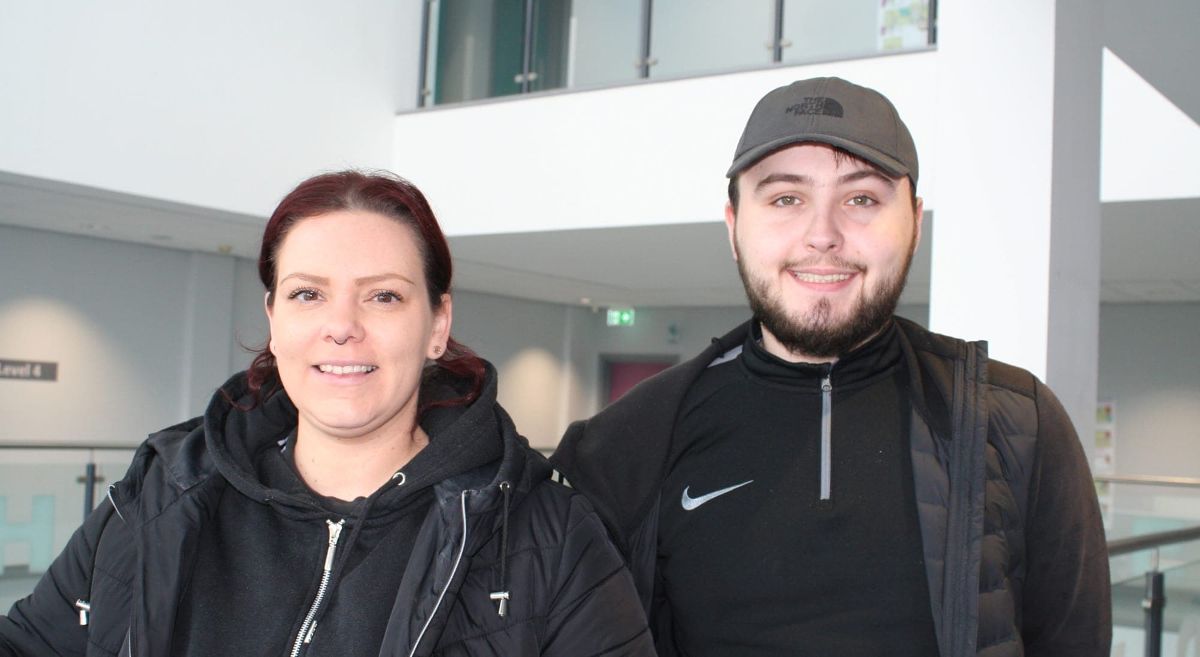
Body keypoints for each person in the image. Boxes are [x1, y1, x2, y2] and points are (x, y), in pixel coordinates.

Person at [551, 77, 1111, 656]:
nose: (823, 235)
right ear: (733, 226)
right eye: (786, 198)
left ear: (914, 222)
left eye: (862, 199)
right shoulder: (626, 444)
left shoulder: (1017, 422)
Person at [0, 171, 654, 656]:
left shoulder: (547, 532)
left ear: (437, 324)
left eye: (384, 297)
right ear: (275, 321)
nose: (341, 326)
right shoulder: (163, 490)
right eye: (308, 293)